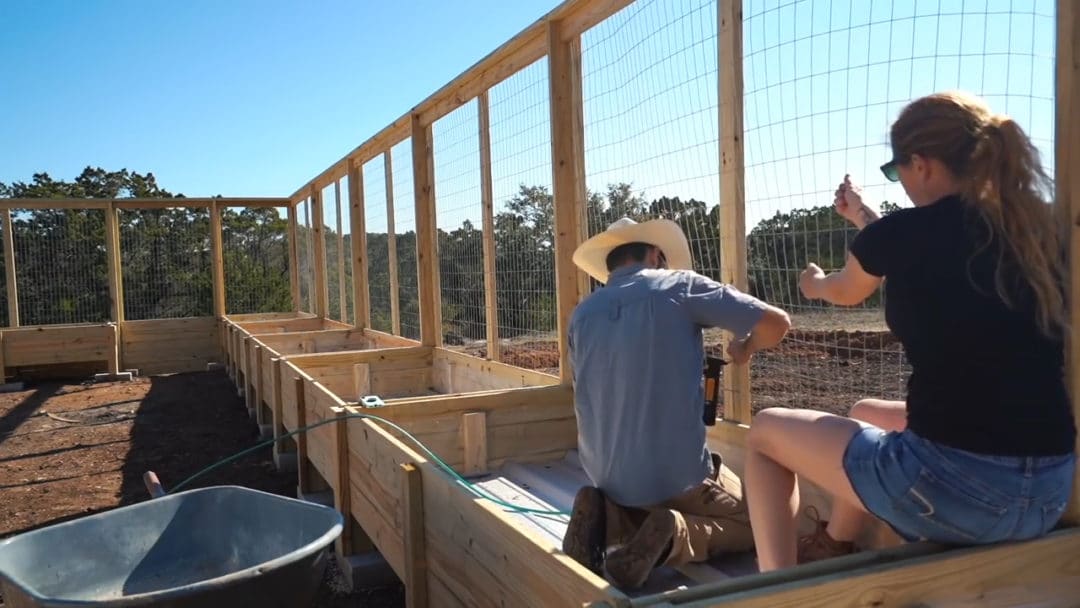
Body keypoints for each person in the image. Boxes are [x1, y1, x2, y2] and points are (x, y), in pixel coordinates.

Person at [743, 90, 1078, 572]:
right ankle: (836, 543)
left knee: (763, 432)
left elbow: (845, 289)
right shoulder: (1033, 230)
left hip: (952, 490)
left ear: (920, 164)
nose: (899, 182)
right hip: (1049, 490)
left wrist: (812, 283)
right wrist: (861, 213)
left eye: (896, 171)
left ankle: (775, 589)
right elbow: (913, 244)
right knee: (862, 412)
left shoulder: (904, 236)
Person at [561, 216, 792, 589]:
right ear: (654, 254)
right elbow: (776, 324)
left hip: (604, 474)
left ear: (611, 264)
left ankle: (608, 517)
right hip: (675, 476)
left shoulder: (582, 314)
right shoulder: (679, 286)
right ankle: (675, 537)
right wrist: (745, 347)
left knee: (640, 493)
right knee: (758, 523)